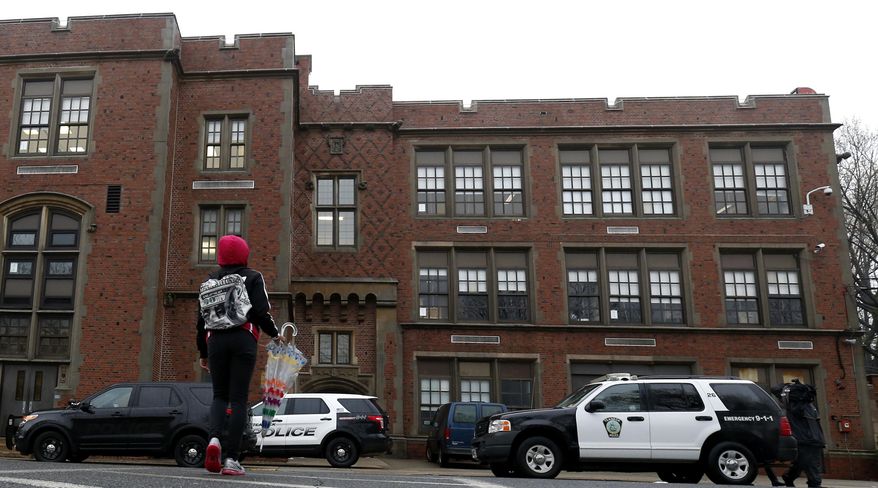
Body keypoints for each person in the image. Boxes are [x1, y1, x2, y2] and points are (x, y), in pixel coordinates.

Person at [196, 235, 284, 476]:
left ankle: (214, 440)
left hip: (215, 340)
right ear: (244, 253)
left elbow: (200, 321)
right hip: (243, 338)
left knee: (219, 396)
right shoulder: (253, 277)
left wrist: (203, 353)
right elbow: (259, 311)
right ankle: (231, 459)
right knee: (238, 400)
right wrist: (274, 334)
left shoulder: (210, 280)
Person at [775, 380, 826, 488]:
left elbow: (775, 389)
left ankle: (790, 477)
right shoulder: (804, 406)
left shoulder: (794, 405)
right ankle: (815, 484)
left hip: (806, 438)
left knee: (802, 462)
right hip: (810, 438)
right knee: (811, 463)